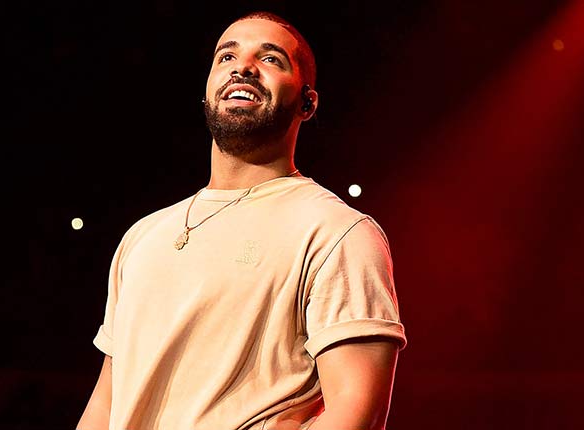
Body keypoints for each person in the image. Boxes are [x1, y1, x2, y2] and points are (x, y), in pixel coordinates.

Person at [76, 10, 407, 430]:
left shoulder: (336, 232)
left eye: (270, 59)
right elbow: (106, 402)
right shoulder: (143, 235)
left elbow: (356, 410)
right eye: (226, 57)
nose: (243, 68)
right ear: (207, 90)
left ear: (307, 102)